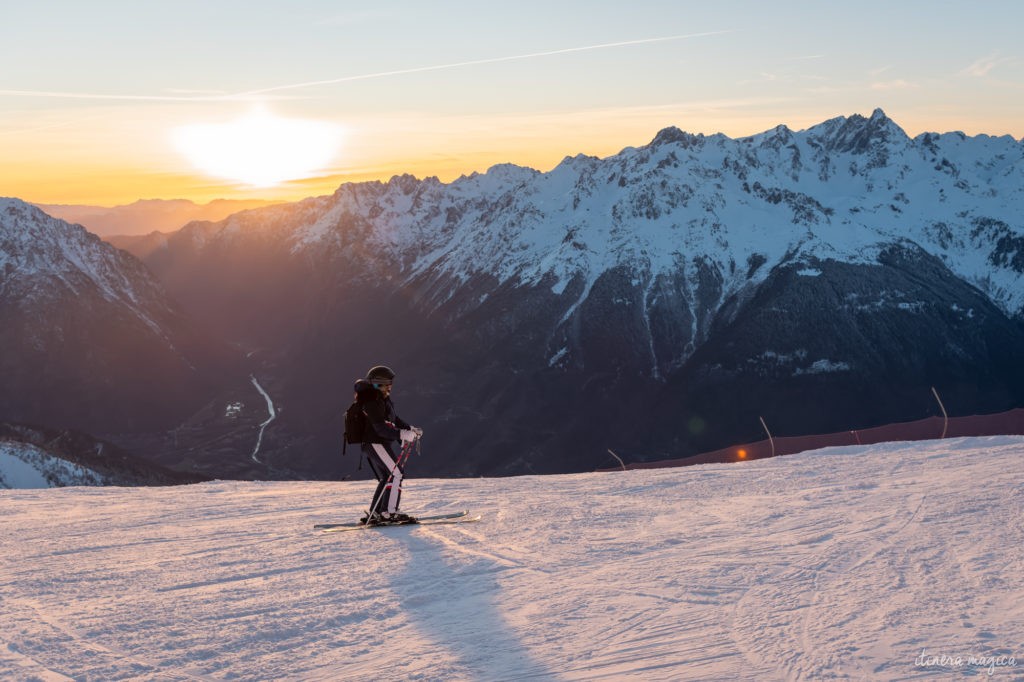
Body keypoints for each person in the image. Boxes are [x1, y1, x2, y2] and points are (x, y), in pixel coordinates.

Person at [354, 365, 422, 524]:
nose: (390, 387)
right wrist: (402, 434)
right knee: (397, 473)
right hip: (375, 443)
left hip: (376, 444)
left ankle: (377, 513)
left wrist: (410, 429)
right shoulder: (372, 402)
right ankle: (389, 513)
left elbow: (394, 419)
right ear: (378, 384)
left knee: (387, 476)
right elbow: (380, 428)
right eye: (387, 384)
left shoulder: (380, 399)